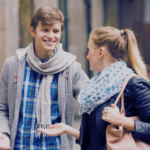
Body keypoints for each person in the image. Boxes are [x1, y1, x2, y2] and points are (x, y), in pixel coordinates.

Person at [38, 26, 150, 150]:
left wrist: (122, 121)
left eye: (89, 50)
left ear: (101, 52)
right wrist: (67, 129)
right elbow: (97, 139)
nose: (87, 56)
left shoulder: (133, 84)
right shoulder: (96, 90)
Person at [0, 6, 89, 150]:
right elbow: (2, 108)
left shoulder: (71, 68)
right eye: (45, 30)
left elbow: (91, 100)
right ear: (32, 31)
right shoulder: (13, 65)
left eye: (55, 31)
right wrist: (3, 134)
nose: (51, 36)